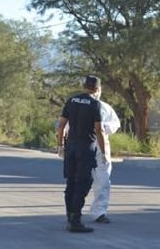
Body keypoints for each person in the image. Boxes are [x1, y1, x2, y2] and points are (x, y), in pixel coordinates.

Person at [57, 75, 106, 233]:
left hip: (70, 147)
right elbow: (99, 130)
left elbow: (61, 126)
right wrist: (104, 153)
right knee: (83, 182)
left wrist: (60, 145)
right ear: (97, 89)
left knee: (70, 182)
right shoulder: (95, 104)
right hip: (86, 148)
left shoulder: (72, 100)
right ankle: (76, 220)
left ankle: (70, 215)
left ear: (84, 86)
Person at [89, 97, 121, 224]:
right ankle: (73, 212)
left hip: (101, 145)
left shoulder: (105, 107)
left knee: (103, 180)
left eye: (95, 89)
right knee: (79, 180)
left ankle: (99, 212)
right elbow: (67, 125)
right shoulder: (78, 104)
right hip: (83, 144)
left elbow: (115, 124)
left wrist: (102, 126)